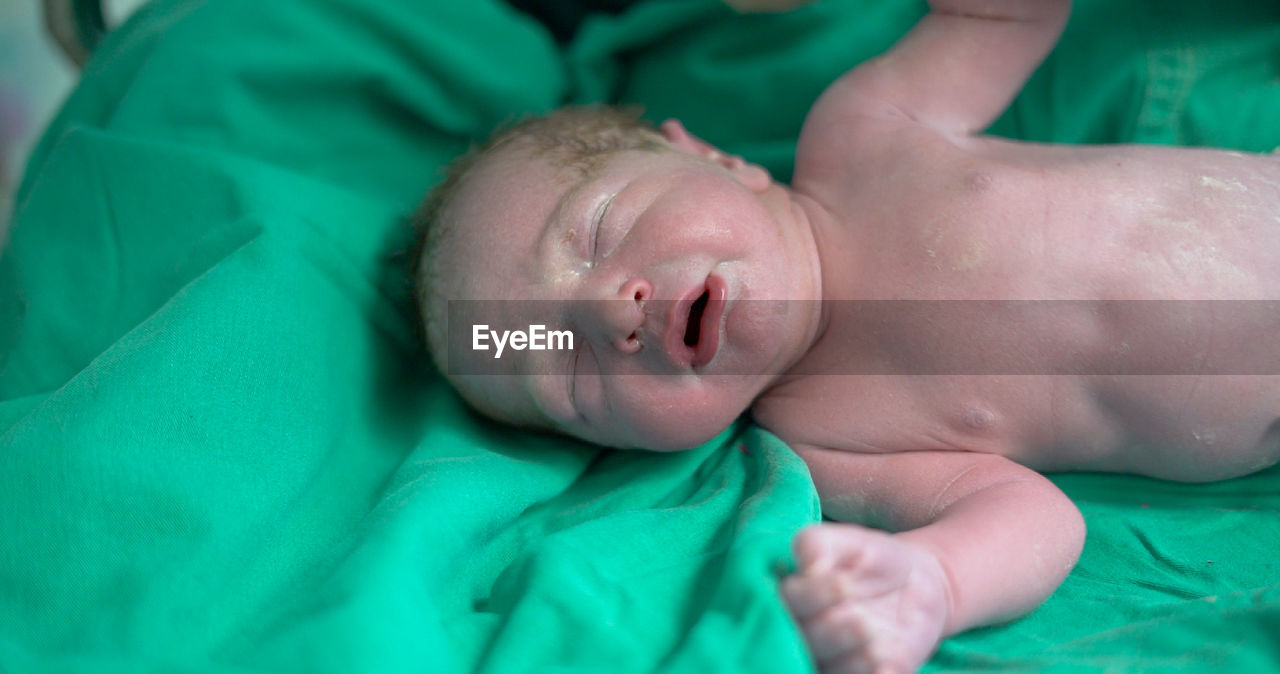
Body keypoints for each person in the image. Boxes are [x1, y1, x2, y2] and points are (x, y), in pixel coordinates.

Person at [410, 0, 1280, 670]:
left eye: (599, 231)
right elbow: (1033, 517)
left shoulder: (865, 130)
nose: (608, 315)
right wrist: (936, 581)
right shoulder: (830, 437)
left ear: (712, 157)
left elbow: (1003, 18)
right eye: (573, 377)